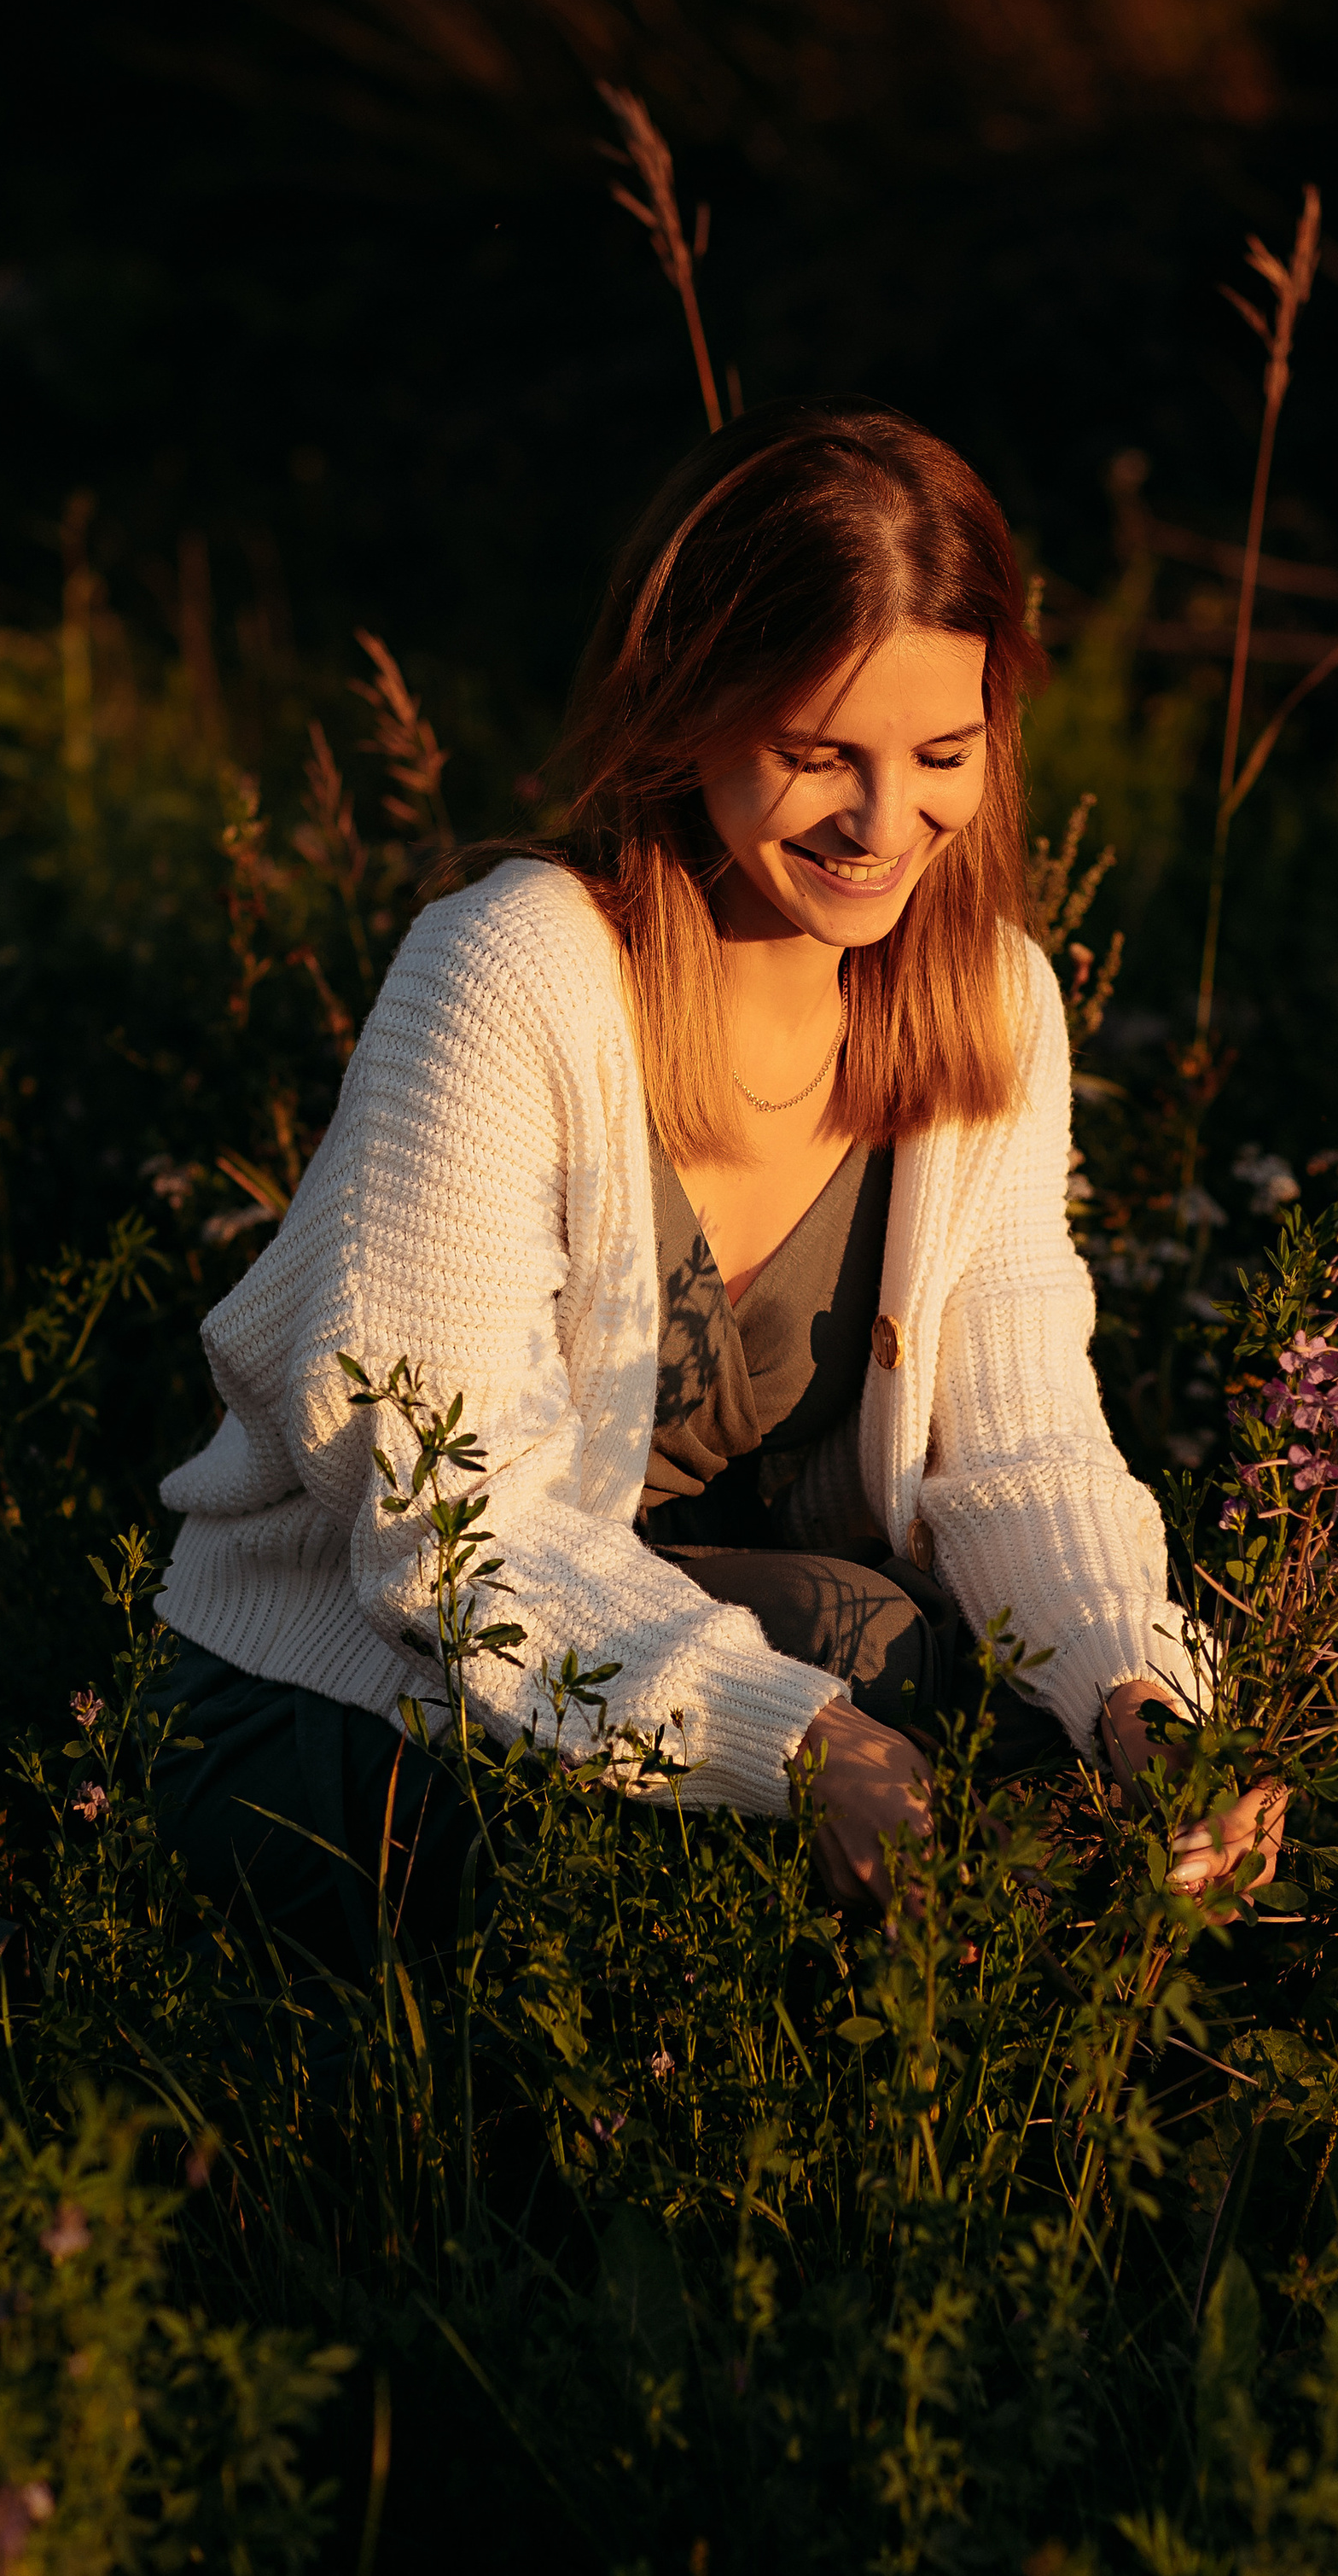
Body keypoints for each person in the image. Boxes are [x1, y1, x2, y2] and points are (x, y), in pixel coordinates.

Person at [152, 399, 1281, 1958]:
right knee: (881, 1694)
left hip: (707, 1641)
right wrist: (801, 1744)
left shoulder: (989, 1001)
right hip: (354, 1679)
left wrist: (1136, 1688)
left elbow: (1024, 1443)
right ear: (689, 706)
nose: (888, 826)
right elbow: (450, 1532)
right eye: (818, 754)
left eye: (941, 754)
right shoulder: (509, 977)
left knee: (1056, 1752)